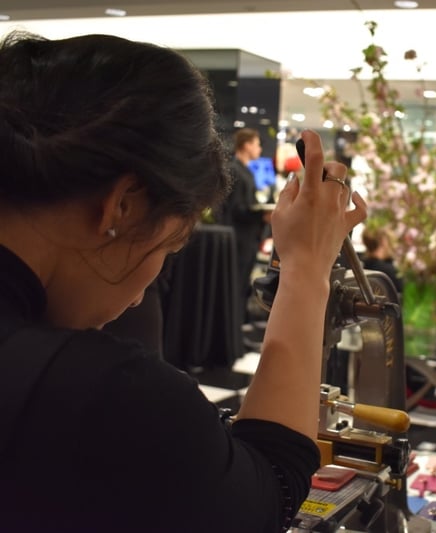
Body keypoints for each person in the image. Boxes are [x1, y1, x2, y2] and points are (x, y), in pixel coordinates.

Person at [0, 32, 366, 532]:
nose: (137, 298)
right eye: (168, 251)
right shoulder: (102, 392)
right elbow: (267, 492)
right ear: (123, 205)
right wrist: (306, 270)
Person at [221, 127, 270, 315]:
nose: (259, 149)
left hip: (246, 238)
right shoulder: (235, 170)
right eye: (257, 144)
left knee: (241, 286)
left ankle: (237, 334)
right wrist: (262, 215)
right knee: (235, 286)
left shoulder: (245, 171)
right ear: (247, 144)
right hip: (238, 239)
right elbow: (236, 209)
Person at [361, 226, 403, 293]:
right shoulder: (389, 272)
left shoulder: (361, 267)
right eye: (391, 241)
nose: (394, 246)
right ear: (384, 241)